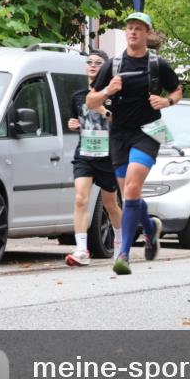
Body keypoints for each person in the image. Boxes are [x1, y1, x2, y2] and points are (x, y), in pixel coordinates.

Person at [87, 12, 182, 275]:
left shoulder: (157, 64)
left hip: (148, 132)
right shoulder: (113, 65)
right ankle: (150, 228)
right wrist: (108, 91)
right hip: (119, 134)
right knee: (129, 194)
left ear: (147, 33)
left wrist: (167, 101)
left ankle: (124, 255)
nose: (133, 32)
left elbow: (177, 90)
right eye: (130, 28)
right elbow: (90, 101)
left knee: (130, 189)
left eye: (138, 28)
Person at [65, 50, 124, 266]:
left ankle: (121, 243)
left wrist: (104, 111)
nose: (92, 66)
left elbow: (122, 123)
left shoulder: (115, 96)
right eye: (89, 62)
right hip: (85, 154)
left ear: (106, 68)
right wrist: (72, 124)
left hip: (108, 156)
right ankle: (82, 250)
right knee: (80, 199)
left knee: (110, 204)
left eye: (98, 63)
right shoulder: (78, 96)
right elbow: (76, 120)